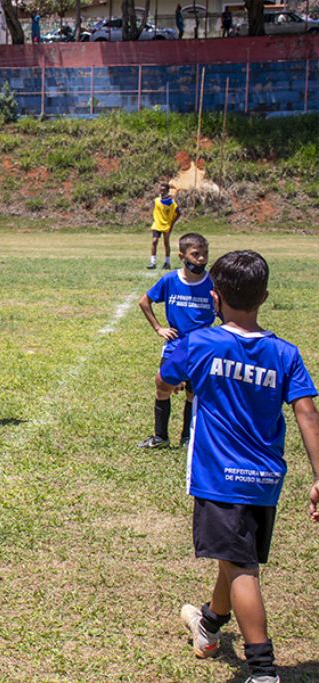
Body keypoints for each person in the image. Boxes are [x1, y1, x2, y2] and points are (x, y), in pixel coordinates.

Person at [157, 250, 319, 683]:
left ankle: (263, 670)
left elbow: (165, 380)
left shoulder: (200, 343)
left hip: (219, 478)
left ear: (215, 297)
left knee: (242, 568)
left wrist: (174, 378)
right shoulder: (285, 353)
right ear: (263, 297)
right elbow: (307, 412)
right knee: (235, 555)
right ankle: (209, 624)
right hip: (265, 480)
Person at [137, 232, 214, 449]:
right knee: (163, 387)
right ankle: (160, 436)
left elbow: (225, 311)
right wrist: (159, 328)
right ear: (182, 256)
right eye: (195, 254)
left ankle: (187, 438)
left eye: (205, 254)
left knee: (193, 393)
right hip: (174, 346)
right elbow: (144, 302)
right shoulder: (170, 280)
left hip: (201, 348)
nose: (201, 259)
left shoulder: (212, 283)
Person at [148, 182, 181, 270]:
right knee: (154, 241)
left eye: (163, 190)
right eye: (160, 190)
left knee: (166, 243)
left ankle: (167, 262)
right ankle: (153, 262)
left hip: (166, 225)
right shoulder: (156, 200)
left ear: (167, 191)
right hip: (157, 224)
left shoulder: (172, 202)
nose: (161, 192)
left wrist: (172, 223)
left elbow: (179, 213)